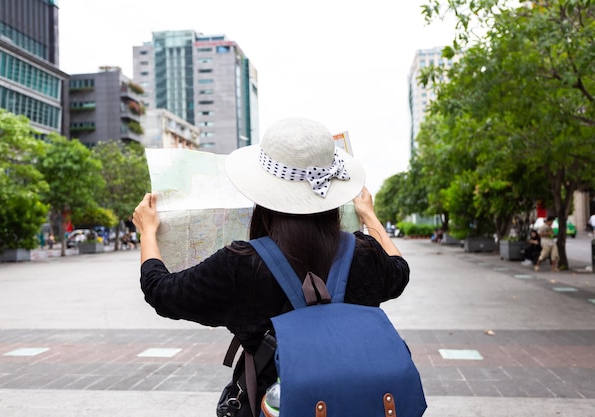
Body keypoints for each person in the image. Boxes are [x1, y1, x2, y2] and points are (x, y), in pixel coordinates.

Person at [133, 117, 410, 417]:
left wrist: (148, 231)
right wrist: (369, 217)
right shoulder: (366, 253)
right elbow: (400, 270)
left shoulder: (241, 265)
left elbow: (161, 292)